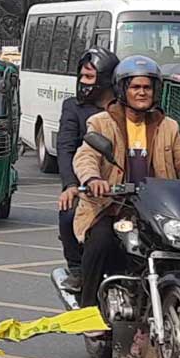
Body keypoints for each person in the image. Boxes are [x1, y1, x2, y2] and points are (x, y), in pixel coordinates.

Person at [72, 55, 180, 310]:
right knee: (99, 241)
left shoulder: (168, 126)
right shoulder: (102, 122)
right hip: (114, 206)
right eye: (135, 87)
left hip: (156, 210)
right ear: (123, 89)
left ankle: (172, 305)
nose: (142, 92)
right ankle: (89, 311)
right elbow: (86, 155)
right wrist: (93, 179)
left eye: (147, 87)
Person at [55, 47, 118, 292]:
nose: (84, 82)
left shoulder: (126, 109)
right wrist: (71, 185)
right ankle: (78, 269)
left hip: (125, 185)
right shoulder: (73, 108)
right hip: (86, 185)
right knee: (68, 213)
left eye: (90, 77)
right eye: (82, 76)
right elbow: (66, 148)